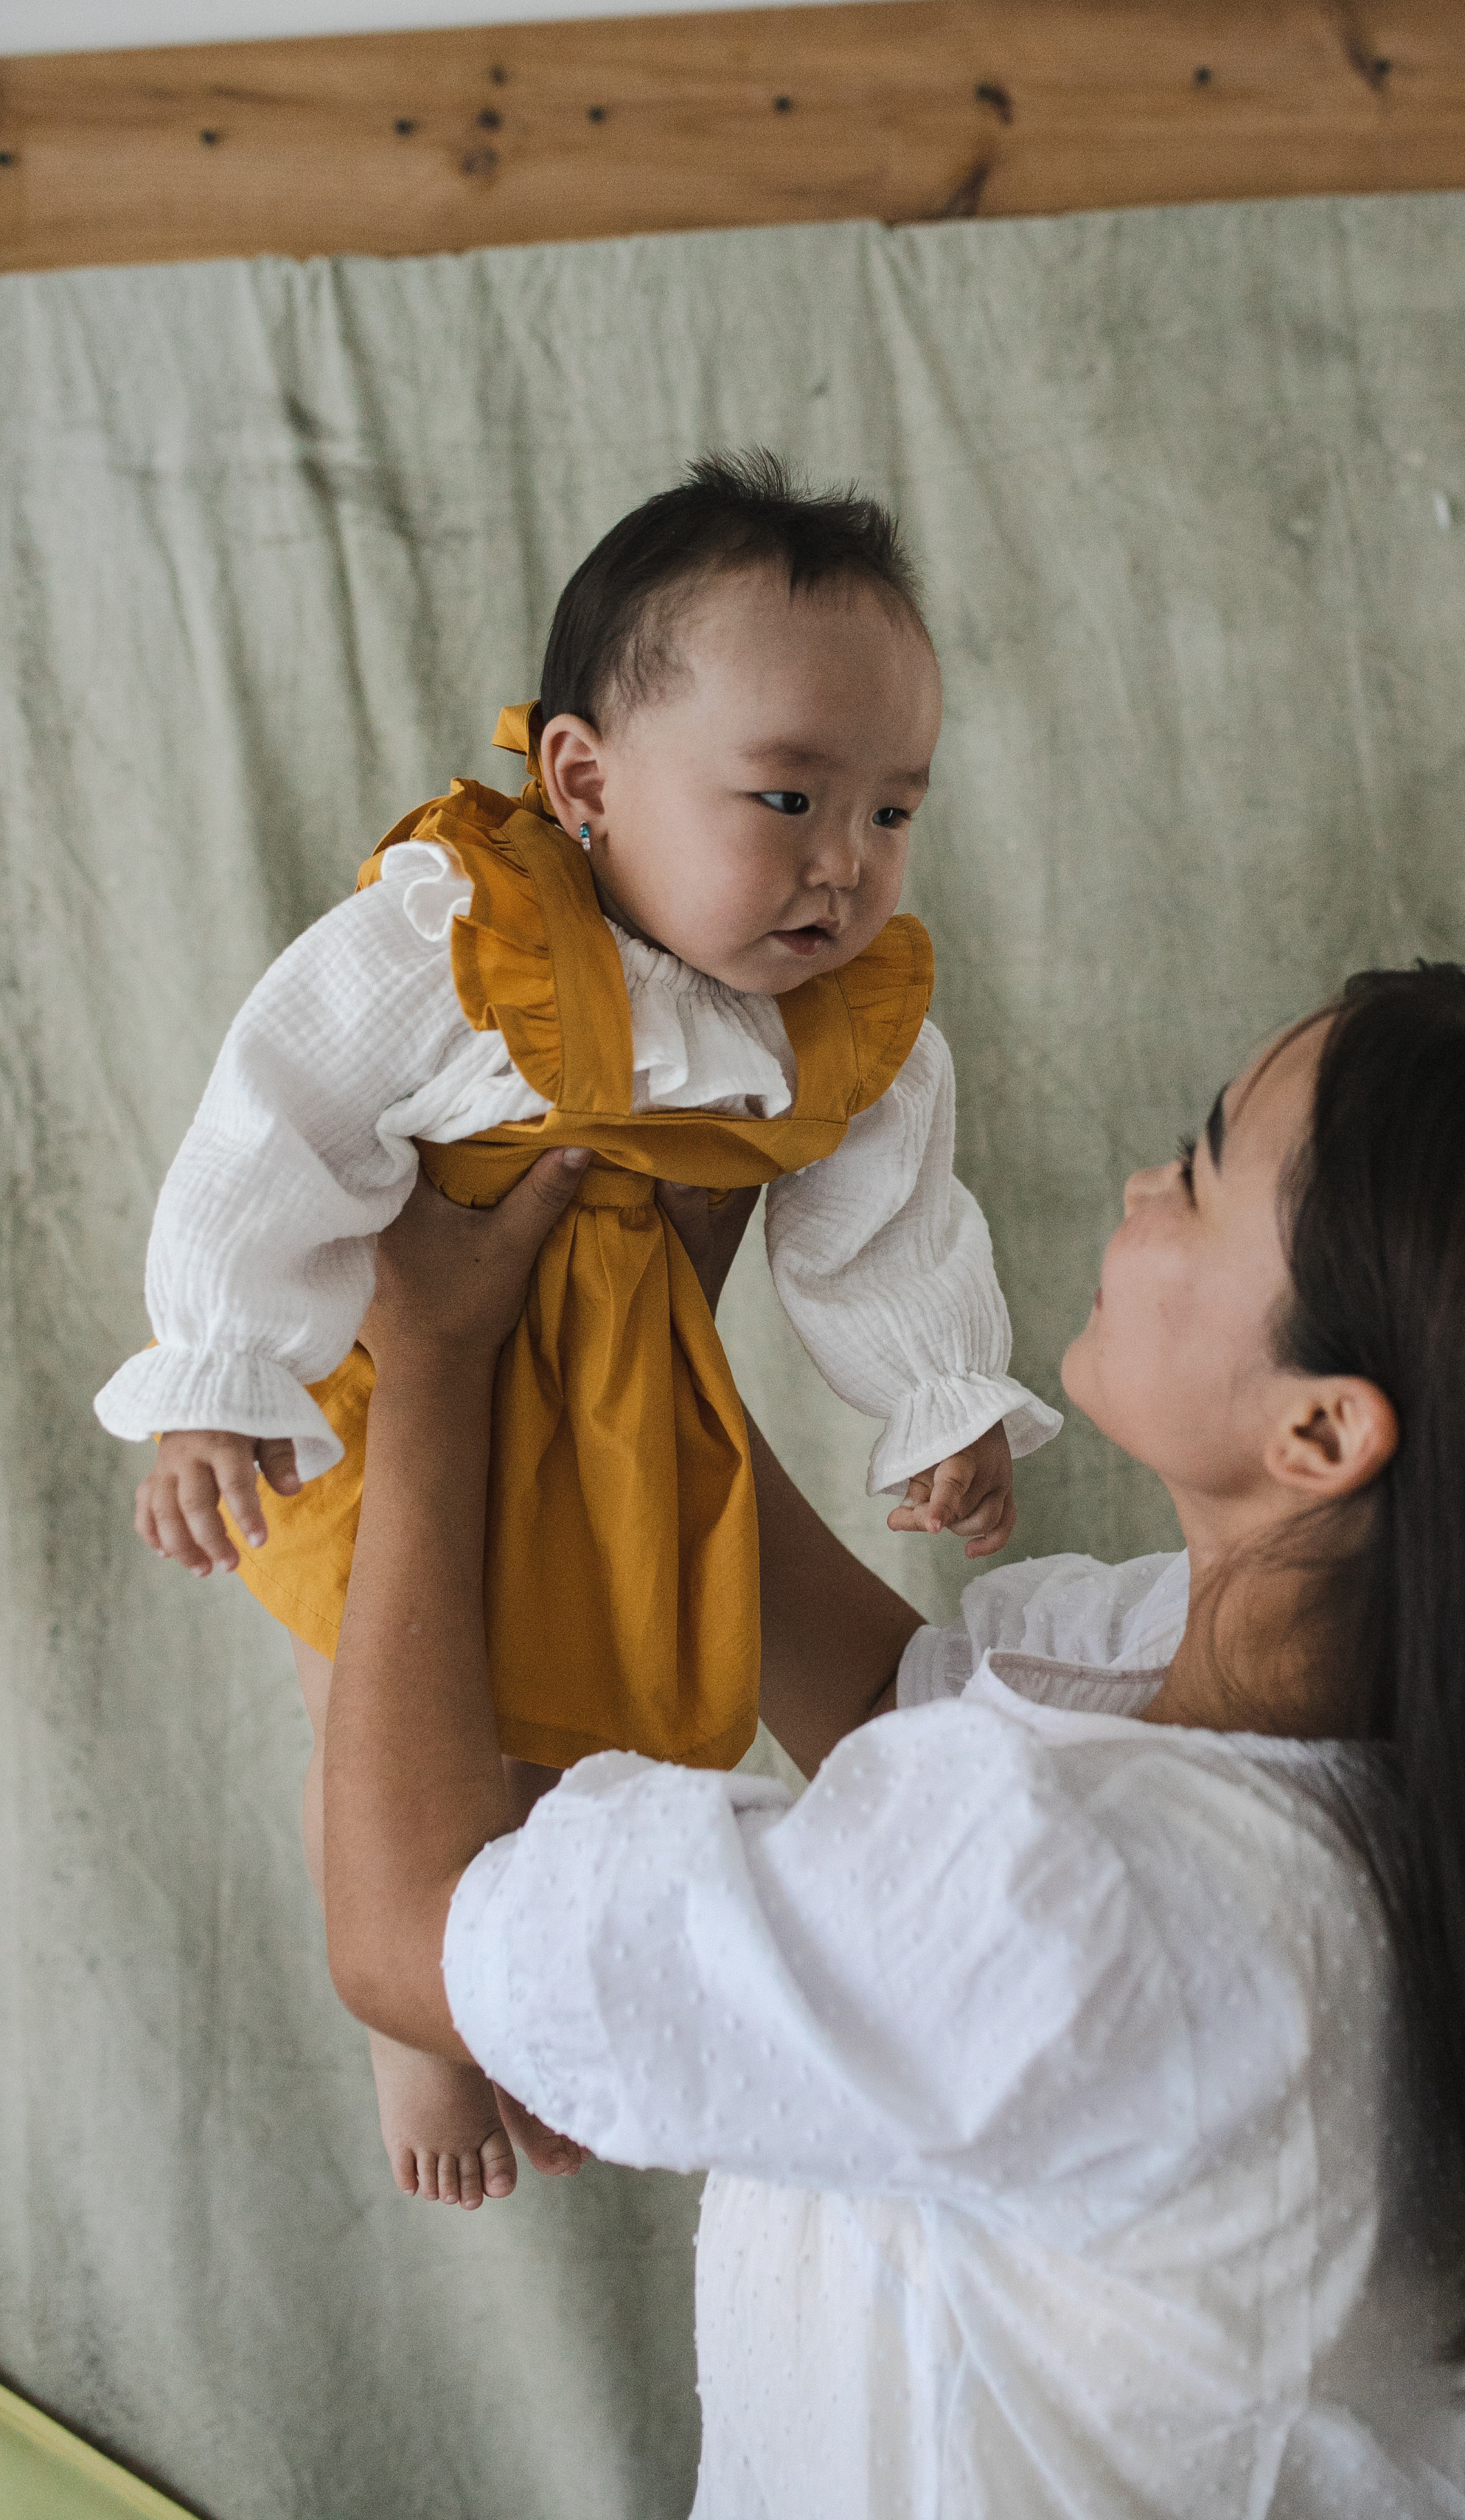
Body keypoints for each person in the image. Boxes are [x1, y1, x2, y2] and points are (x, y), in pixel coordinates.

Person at [319, 965, 1465, 2518]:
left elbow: (408, 1936)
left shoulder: (1072, 1891)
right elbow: (887, 1705)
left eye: (1201, 1169)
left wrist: (432, 1369)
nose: (1146, 1183)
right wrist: (644, 1330)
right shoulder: (1415, 1760)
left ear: (1320, 1433)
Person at [96, 453, 1059, 2205]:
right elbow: (275, 1126)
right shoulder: (459, 944)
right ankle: (416, 2022)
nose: (844, 867)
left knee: (557, 1747)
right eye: (786, 799)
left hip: (621, 1407)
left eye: (893, 814)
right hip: (396, 1395)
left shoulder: (850, 1031)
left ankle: (520, 1995)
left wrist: (935, 1393)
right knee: (385, 1712)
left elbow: (883, 1220)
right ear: (584, 781)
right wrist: (218, 1374)